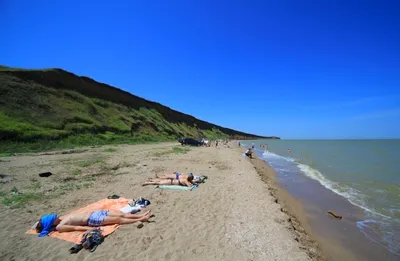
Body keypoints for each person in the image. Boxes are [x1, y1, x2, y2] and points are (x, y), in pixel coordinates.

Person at [35, 209, 152, 236]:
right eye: (53, 217)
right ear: (51, 223)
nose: (56, 216)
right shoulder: (60, 226)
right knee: (119, 220)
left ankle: (141, 215)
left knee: (121, 214)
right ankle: (141, 219)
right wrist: (89, 229)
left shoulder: (60, 219)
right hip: (93, 220)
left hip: (95, 213)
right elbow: (75, 228)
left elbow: (37, 224)